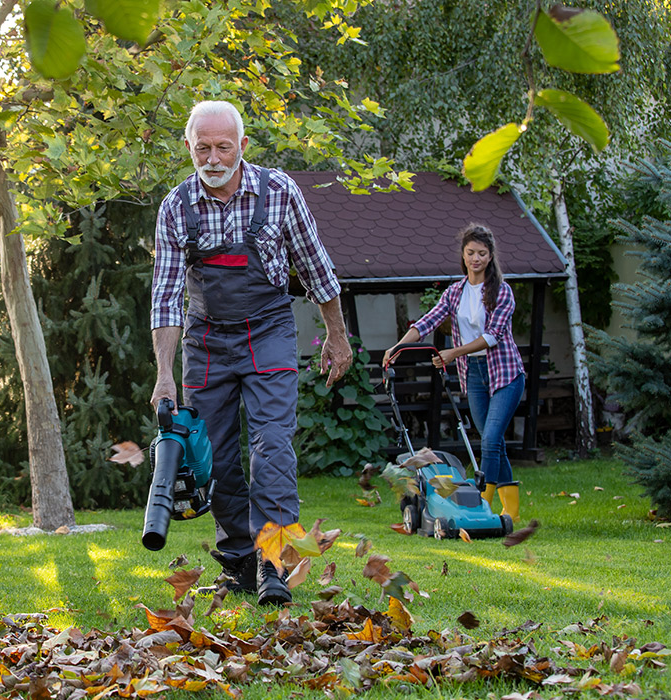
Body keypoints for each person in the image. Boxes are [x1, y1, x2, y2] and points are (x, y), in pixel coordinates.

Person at [150, 100, 353, 605]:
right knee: (213, 456)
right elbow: (166, 297)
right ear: (189, 147)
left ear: (242, 145)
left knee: (273, 445)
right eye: (202, 148)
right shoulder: (176, 207)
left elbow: (316, 268)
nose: (213, 158)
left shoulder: (278, 191)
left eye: (224, 147)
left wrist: (337, 335)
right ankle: (240, 561)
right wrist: (164, 374)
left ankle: (273, 563)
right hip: (206, 340)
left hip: (268, 331)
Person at [382, 223, 525, 522]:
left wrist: (453, 352)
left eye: (482, 253)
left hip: (505, 374)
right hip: (474, 373)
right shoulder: (455, 292)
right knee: (493, 441)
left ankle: (481, 506)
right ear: (463, 255)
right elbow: (426, 322)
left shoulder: (502, 292)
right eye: (471, 253)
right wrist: (397, 347)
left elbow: (492, 336)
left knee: (490, 440)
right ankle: (510, 510)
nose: (476, 259)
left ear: (490, 256)